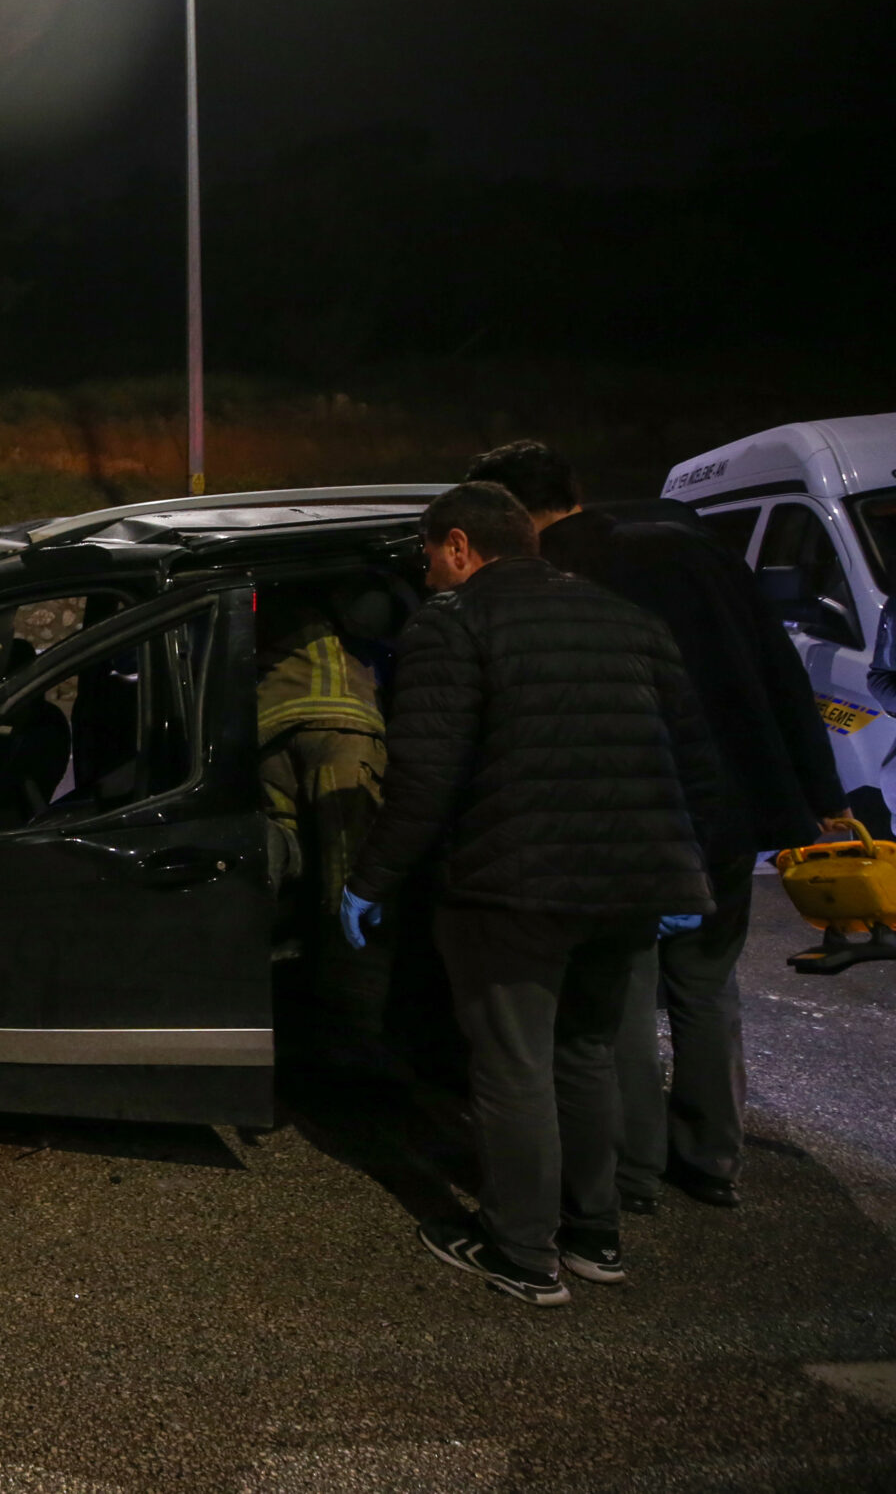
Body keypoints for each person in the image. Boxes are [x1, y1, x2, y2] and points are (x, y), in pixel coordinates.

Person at [344, 482, 721, 1306]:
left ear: (458, 545)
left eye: (428, 557)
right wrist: (690, 873)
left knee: (513, 1064)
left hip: (511, 885)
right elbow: (693, 759)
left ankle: (521, 1252)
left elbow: (425, 777)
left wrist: (371, 879)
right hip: (631, 883)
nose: (427, 574)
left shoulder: (452, 623)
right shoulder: (627, 619)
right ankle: (594, 1236)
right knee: (585, 1053)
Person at [465, 440, 845, 1211]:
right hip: (729, 808)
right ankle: (711, 1157)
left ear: (508, 511)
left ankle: (628, 1168)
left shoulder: (556, 578)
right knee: (707, 983)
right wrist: (820, 793)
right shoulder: (693, 549)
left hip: (635, 813)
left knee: (626, 995)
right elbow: (780, 672)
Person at [255, 583, 391, 1057]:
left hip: (270, 724)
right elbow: (370, 617)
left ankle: (282, 1020)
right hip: (340, 721)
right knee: (352, 880)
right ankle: (353, 1038)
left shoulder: (263, 580)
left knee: (286, 871)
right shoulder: (339, 574)